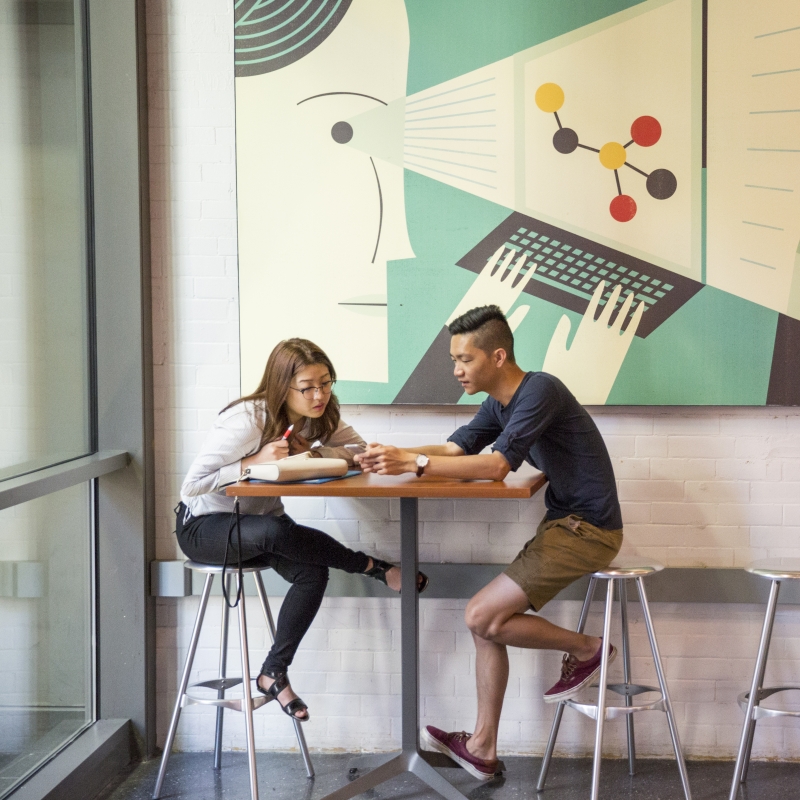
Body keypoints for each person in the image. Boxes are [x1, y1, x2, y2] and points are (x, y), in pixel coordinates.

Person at [357, 305, 623, 780]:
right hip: (563, 524)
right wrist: (391, 453)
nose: (457, 370)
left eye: (466, 359)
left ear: (498, 356)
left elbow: (498, 465)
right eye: (454, 359)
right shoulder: (498, 403)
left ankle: (587, 649)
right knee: (486, 623)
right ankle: (482, 747)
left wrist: (413, 463)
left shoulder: (539, 390)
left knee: (480, 615)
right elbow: (458, 449)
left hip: (589, 529)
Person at [176, 338, 427, 723]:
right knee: (274, 532)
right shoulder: (248, 420)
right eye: (307, 387)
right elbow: (191, 486)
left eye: (326, 383)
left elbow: (359, 450)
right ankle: (372, 567)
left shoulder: (320, 415)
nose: (319, 394)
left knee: (311, 571)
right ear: (282, 386)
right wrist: (252, 461)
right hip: (204, 528)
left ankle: (272, 674)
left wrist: (315, 453)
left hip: (261, 528)